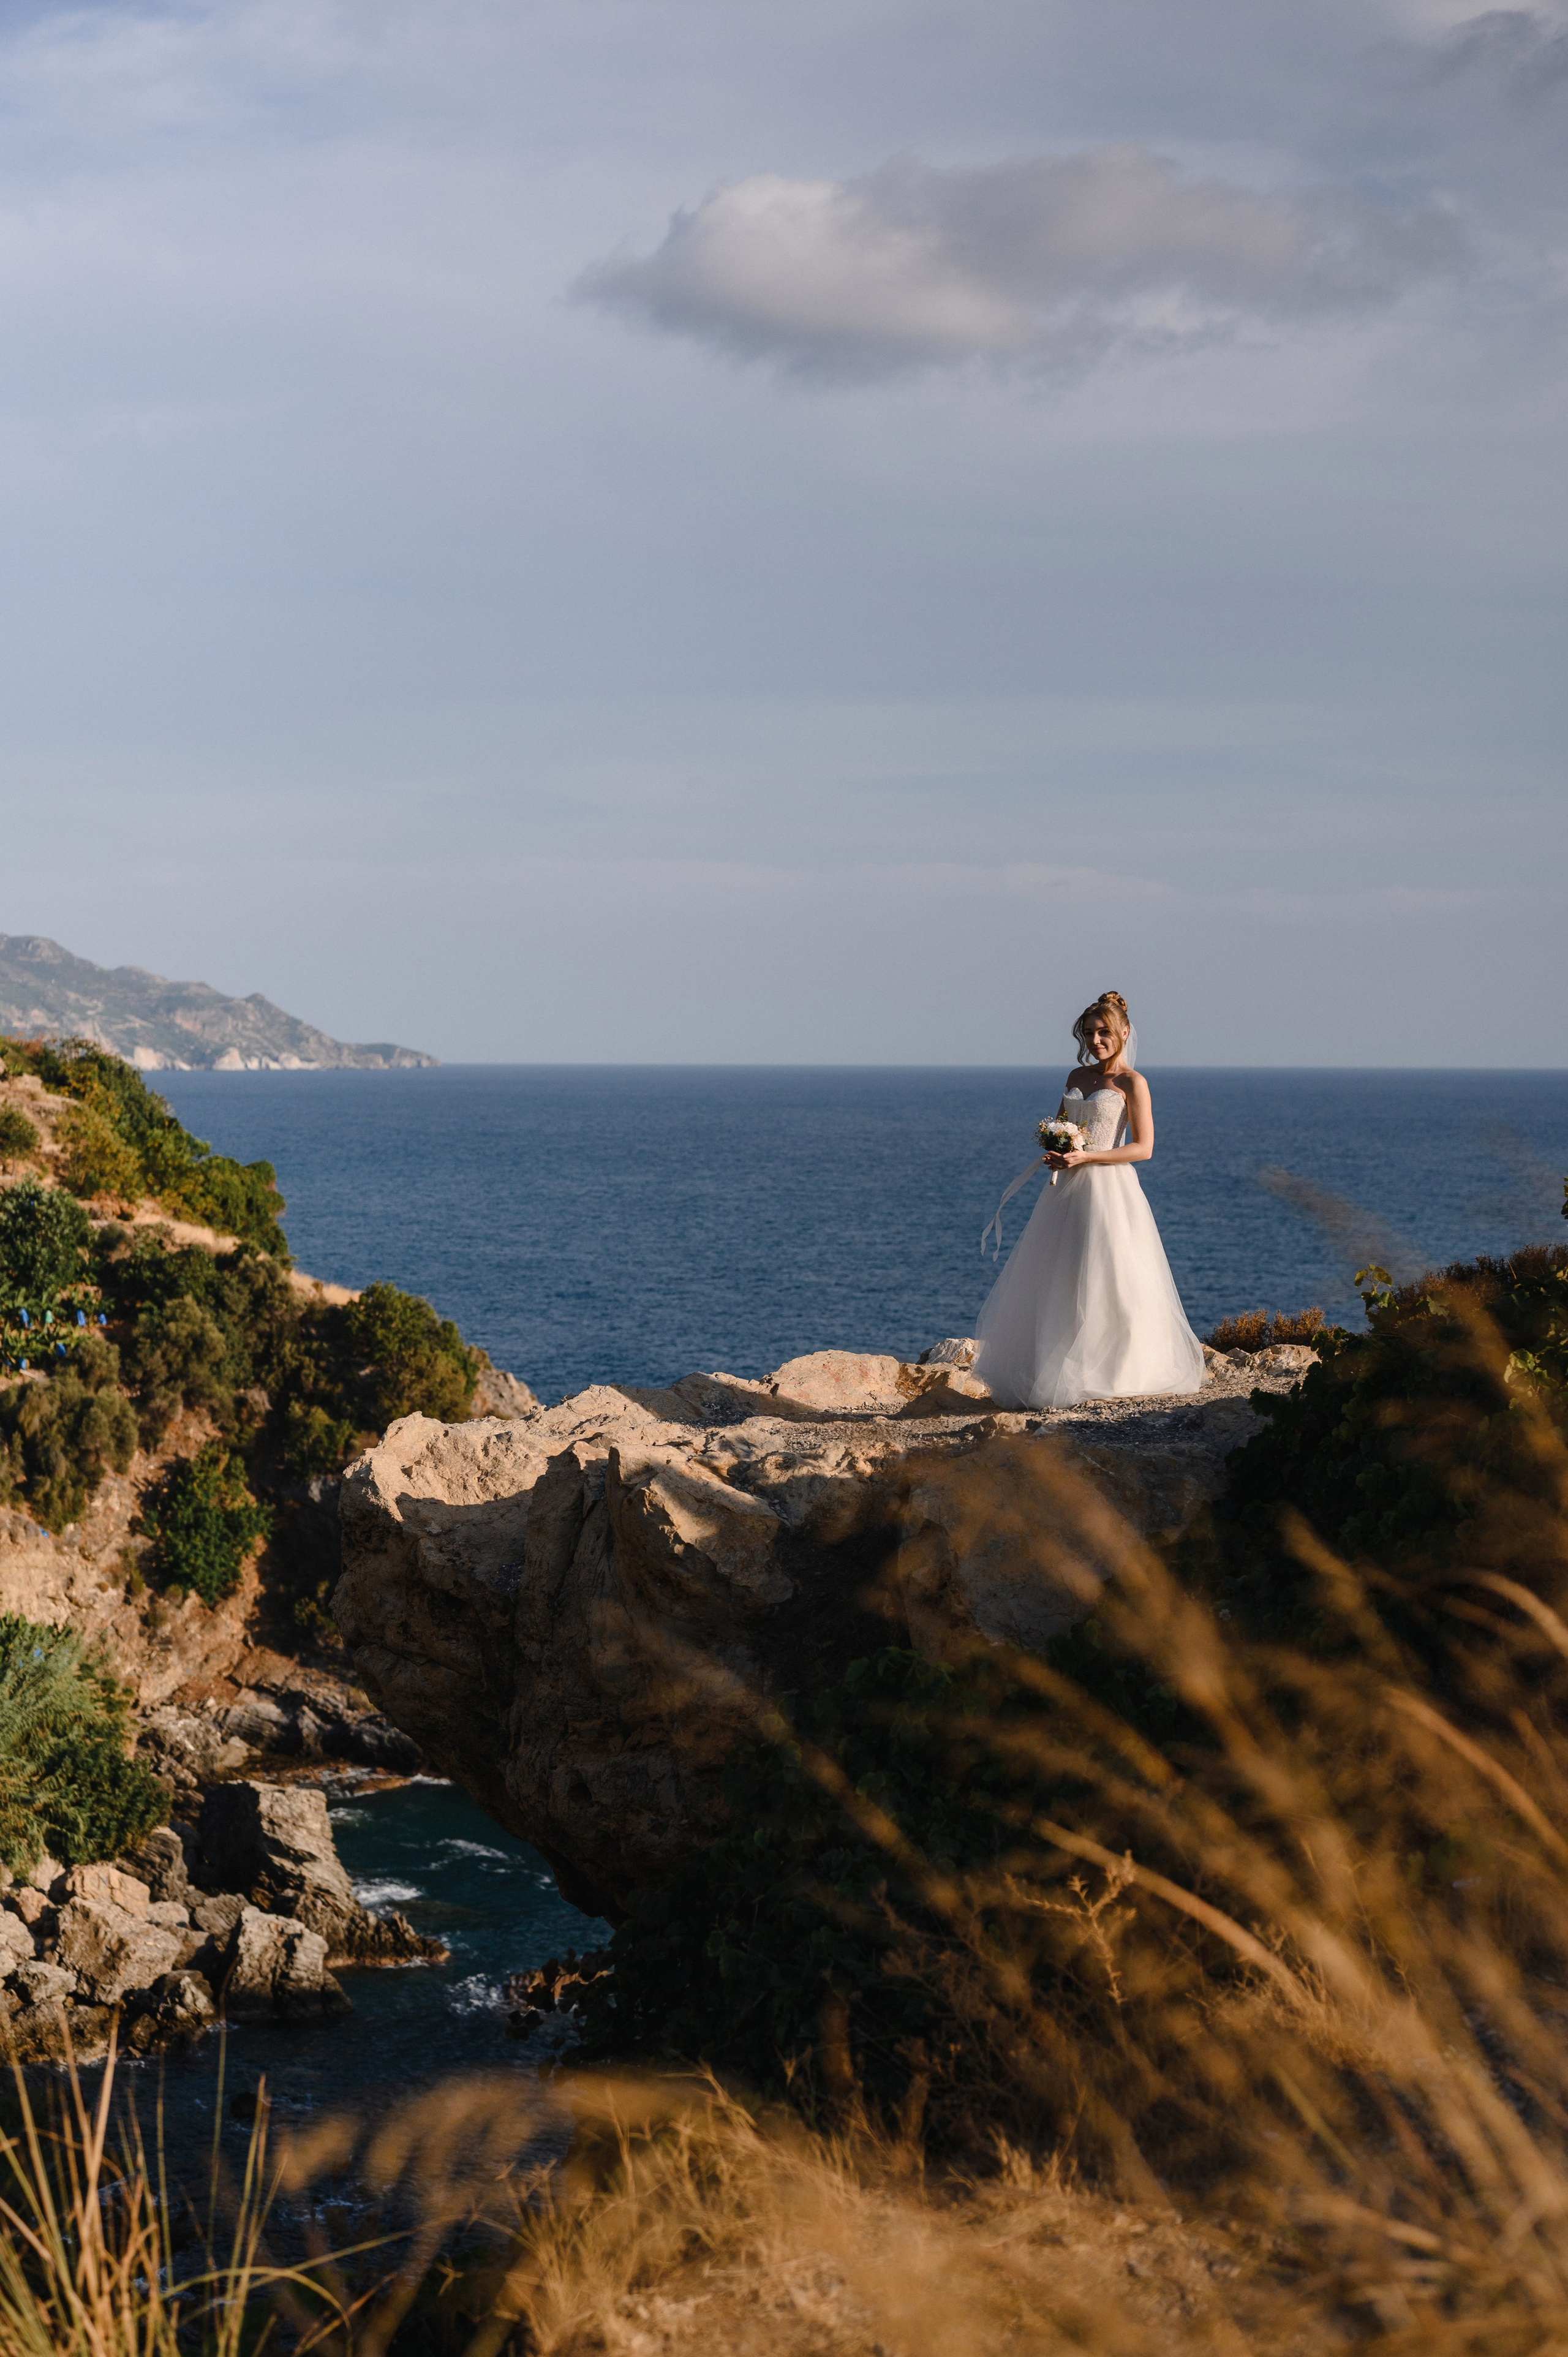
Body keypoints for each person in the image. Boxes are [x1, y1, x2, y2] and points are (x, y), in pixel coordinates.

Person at [972, 990, 1205, 1411]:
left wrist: (1088, 1155)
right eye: (1090, 1033)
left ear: (1124, 1033)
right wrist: (1058, 1151)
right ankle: (1050, 1367)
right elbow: (1062, 1125)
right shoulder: (1076, 1080)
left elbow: (1144, 1147)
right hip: (1067, 1191)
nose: (1096, 1041)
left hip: (1109, 1189)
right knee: (1059, 1275)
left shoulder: (1134, 1084)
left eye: (1104, 1033)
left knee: (1108, 1277)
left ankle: (1116, 1370)